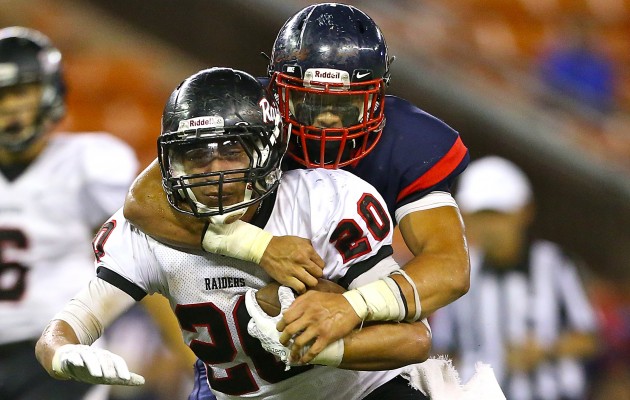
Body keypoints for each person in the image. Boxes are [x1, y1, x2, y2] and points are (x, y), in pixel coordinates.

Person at [35, 67, 439, 400]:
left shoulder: (324, 202)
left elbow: (413, 340)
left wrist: (321, 345)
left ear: (266, 148)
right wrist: (62, 354)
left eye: (231, 151)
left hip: (358, 392)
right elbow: (69, 325)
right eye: (198, 156)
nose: (217, 173)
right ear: (171, 163)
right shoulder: (147, 230)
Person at [123, 2, 471, 363]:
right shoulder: (246, 112)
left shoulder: (406, 141)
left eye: (345, 107)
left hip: (356, 319)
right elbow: (143, 202)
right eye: (308, 102)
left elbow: (450, 268)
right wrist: (257, 246)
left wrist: (353, 307)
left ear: (376, 98)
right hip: (247, 315)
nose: (326, 121)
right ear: (276, 92)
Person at [0, 27, 139, 399]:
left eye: (20, 91)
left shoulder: (88, 163)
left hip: (56, 351)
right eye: (1, 96)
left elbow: (141, 256)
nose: (10, 107)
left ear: (48, 91)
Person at [430, 155, 600, 400]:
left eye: (497, 214)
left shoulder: (555, 264)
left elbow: (590, 338)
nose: (490, 226)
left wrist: (546, 351)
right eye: (481, 215)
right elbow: (443, 352)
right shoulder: (458, 272)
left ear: (523, 212)